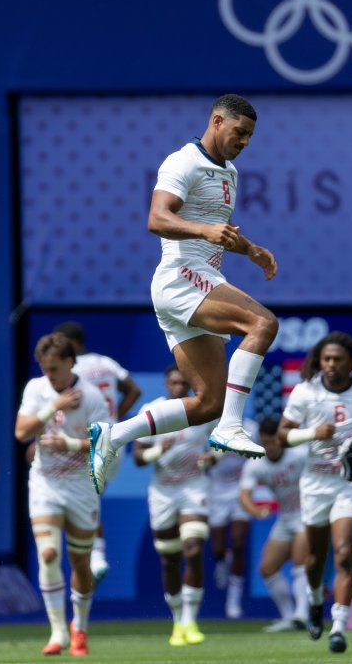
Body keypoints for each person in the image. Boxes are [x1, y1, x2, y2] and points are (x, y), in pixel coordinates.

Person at [89, 93, 280, 494]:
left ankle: (115, 436)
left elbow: (216, 229)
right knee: (262, 323)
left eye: (249, 137)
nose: (244, 142)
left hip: (195, 282)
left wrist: (251, 250)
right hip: (182, 277)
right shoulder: (183, 161)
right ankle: (231, 426)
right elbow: (157, 219)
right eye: (239, 132)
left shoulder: (229, 172)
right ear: (216, 122)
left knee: (207, 401)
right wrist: (204, 231)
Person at [278, 332, 352, 654]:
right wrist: (312, 433)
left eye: (338, 359)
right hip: (315, 484)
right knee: (314, 559)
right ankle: (313, 600)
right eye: (327, 359)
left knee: (344, 554)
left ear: (351, 363)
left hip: (350, 482)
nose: (332, 364)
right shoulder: (305, 392)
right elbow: (282, 436)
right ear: (318, 362)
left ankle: (339, 626)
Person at [14, 333, 109, 657]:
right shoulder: (35, 389)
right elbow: (21, 432)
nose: (48, 374)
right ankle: (57, 632)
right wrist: (51, 407)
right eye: (44, 368)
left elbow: (106, 445)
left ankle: (79, 627)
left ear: (70, 362)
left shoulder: (93, 398)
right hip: (45, 482)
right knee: (48, 553)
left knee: (80, 563)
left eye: (54, 368)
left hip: (81, 485)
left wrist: (69, 444)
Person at [52, 320, 143, 583]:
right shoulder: (106, 362)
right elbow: (134, 390)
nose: (54, 349)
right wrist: (114, 415)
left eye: (59, 342)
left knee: (80, 497)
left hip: (88, 441)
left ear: (72, 344)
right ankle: (97, 554)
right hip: (114, 438)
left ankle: (97, 556)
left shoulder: (72, 369)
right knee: (90, 494)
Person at [133, 364, 210, 647]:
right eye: (174, 383)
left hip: (194, 487)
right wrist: (157, 450)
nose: (179, 387)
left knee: (194, 548)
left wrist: (215, 456)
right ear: (166, 384)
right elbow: (138, 457)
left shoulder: (203, 409)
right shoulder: (151, 412)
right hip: (163, 491)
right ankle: (177, 621)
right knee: (169, 559)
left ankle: (191, 619)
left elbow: (221, 441)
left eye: (183, 382)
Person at [239, 416, 309, 632]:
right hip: (285, 518)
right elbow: (244, 496)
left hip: (308, 515)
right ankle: (289, 618)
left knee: (300, 561)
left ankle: (302, 615)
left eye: (272, 442)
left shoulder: (300, 454)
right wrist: (256, 510)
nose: (268, 447)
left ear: (280, 439)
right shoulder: (256, 463)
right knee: (267, 568)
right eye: (264, 442)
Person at [206, 419, 256, 620]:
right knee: (217, 548)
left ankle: (233, 602)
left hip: (240, 488)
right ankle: (222, 560)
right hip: (216, 489)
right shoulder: (209, 428)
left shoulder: (252, 429)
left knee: (238, 542)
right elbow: (203, 458)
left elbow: (259, 456)